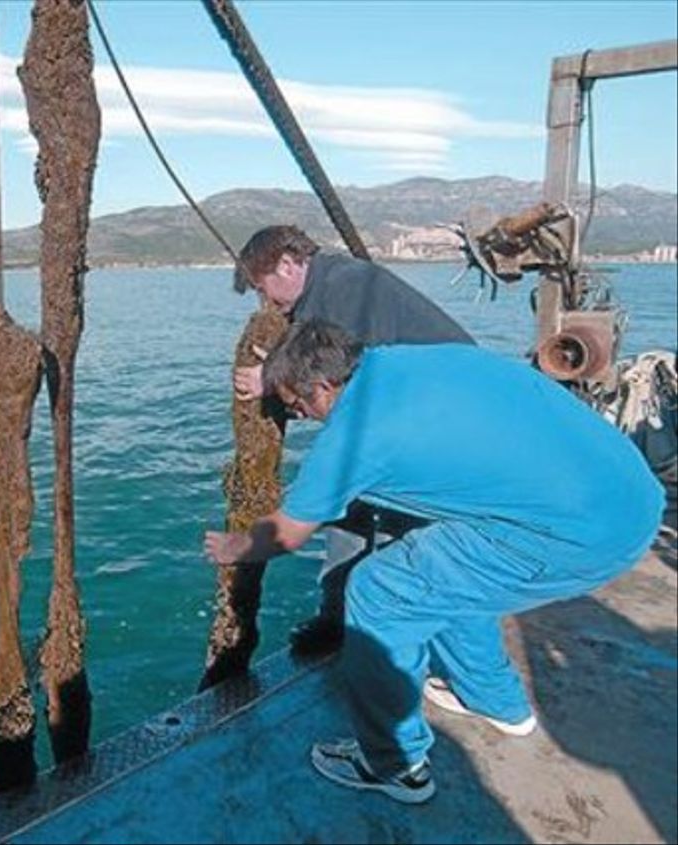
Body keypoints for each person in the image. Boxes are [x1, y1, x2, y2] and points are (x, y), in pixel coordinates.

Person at [204, 320, 664, 804]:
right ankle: (497, 702)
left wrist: (233, 547)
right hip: (632, 493)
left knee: (381, 591)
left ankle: (396, 766)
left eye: (297, 405)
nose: (299, 416)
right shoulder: (411, 358)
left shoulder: (352, 437)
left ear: (321, 387)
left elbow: (287, 534)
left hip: (581, 539)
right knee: (444, 569)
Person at [231, 225, 473, 656]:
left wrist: (270, 378)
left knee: (406, 522)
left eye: (261, 287)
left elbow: (348, 366)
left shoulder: (346, 285)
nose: (266, 301)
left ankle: (393, 627)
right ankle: (340, 618)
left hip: (435, 412)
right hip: (407, 409)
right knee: (349, 505)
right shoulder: (325, 289)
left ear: (287, 265)